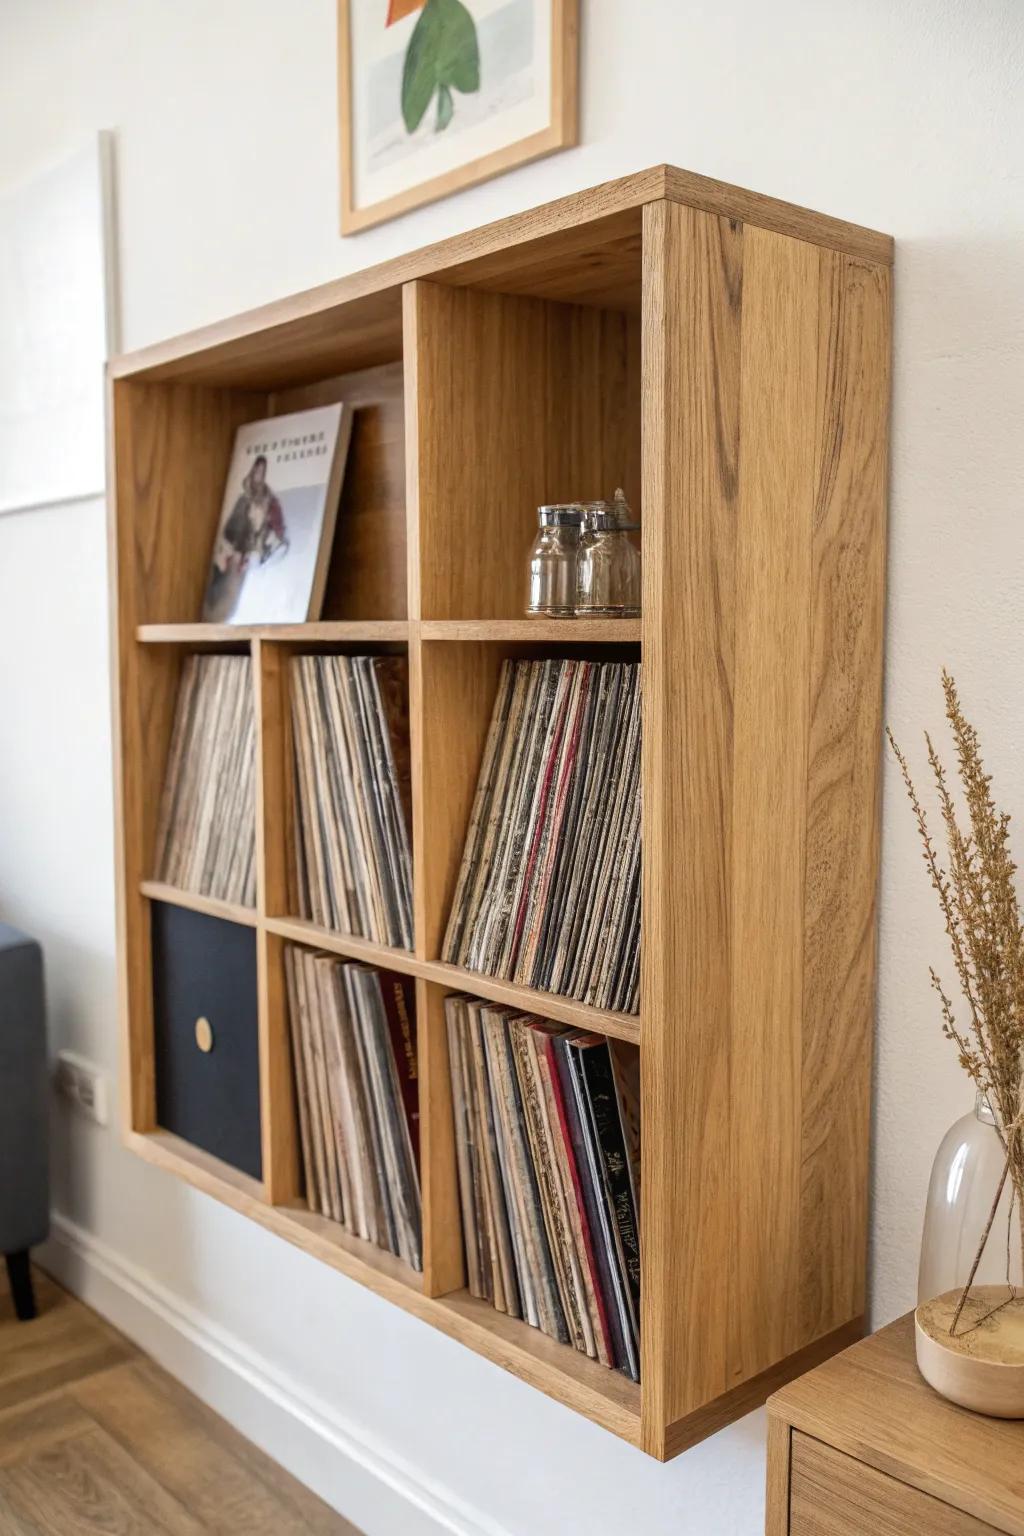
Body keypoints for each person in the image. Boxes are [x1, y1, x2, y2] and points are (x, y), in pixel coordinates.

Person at [203, 456, 289, 621]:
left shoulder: (270, 502)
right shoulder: (243, 499)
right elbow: (230, 527)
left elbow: (276, 530)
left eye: (261, 471)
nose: (258, 474)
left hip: (253, 555)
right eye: (256, 470)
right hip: (233, 554)